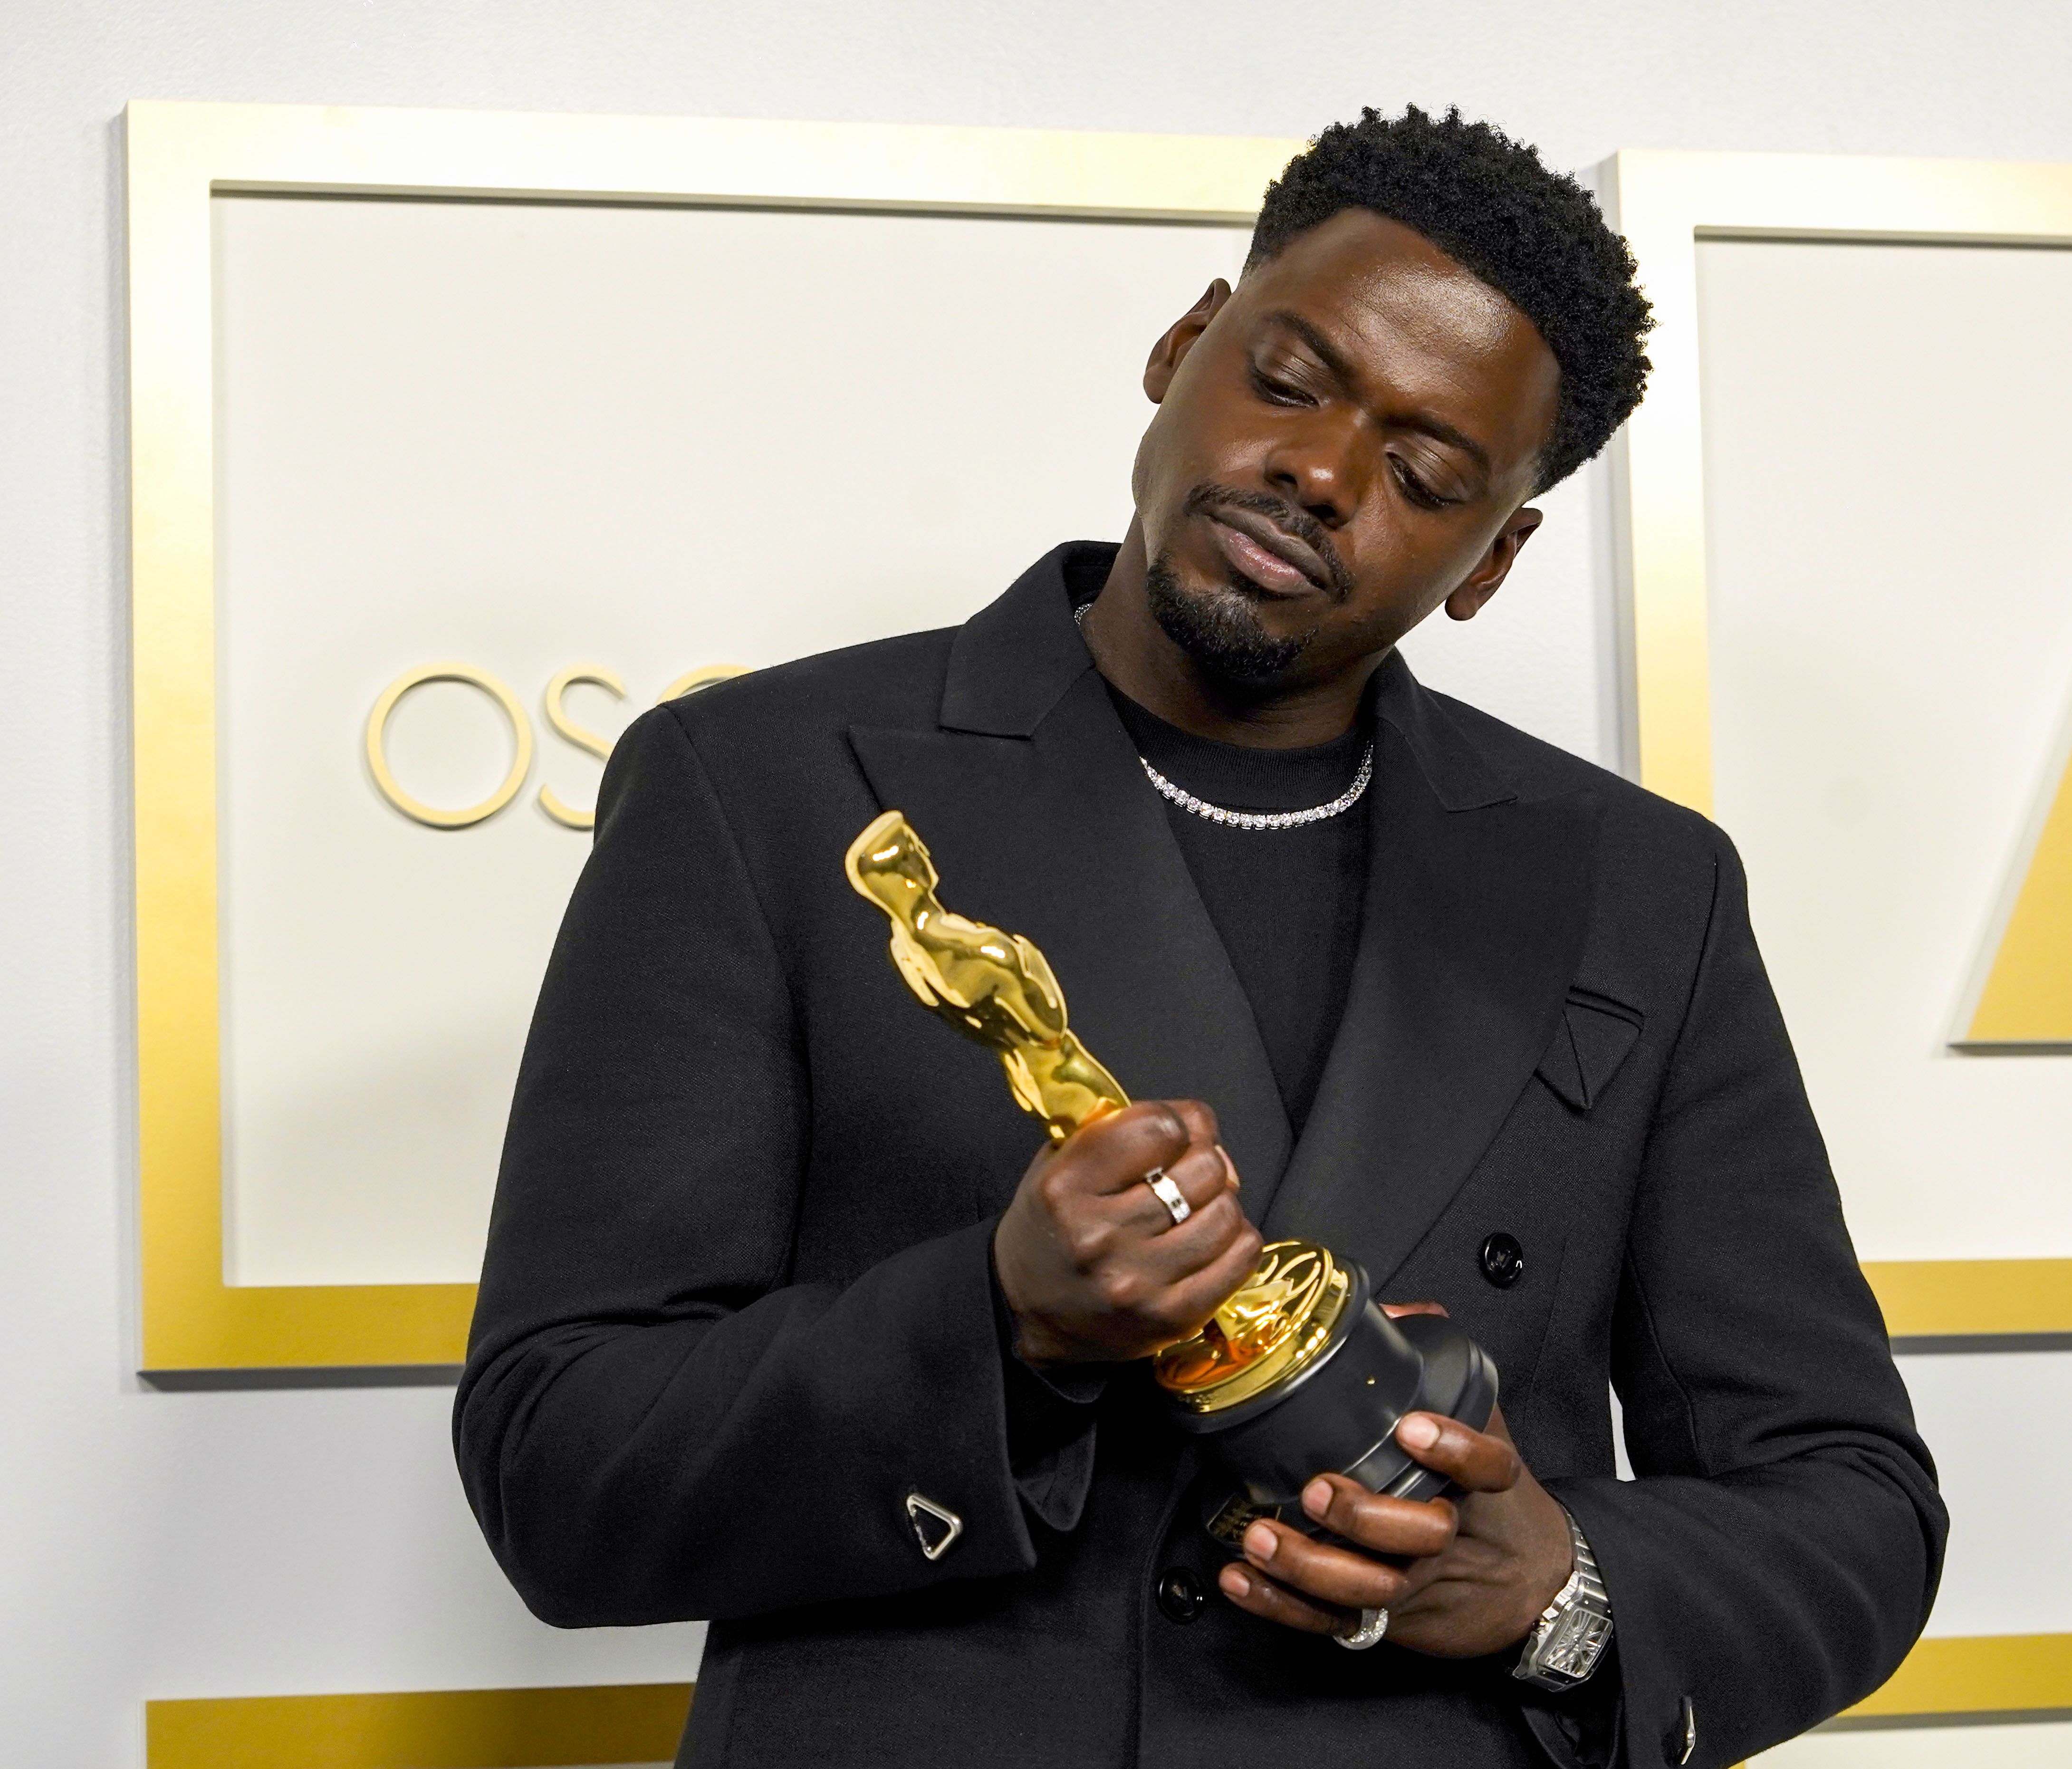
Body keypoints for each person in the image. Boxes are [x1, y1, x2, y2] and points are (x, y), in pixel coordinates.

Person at [455, 106, 1945, 1769]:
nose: (1320, 473)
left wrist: (1559, 1585)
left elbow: (1852, 1501)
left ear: (1492, 560)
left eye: (1427, 470)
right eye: (1292, 381)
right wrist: (1000, 1323)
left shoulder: (1640, 889)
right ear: (1181, 347)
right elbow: (556, 1461)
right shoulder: (773, 790)